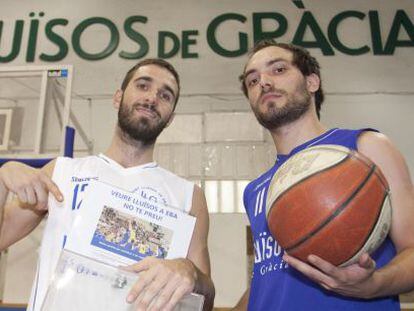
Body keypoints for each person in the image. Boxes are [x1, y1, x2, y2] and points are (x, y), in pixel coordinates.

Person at [0, 58, 215, 311]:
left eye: (165, 95)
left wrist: (191, 273)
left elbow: (206, 301)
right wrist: (2, 178)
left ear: (170, 118)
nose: (152, 98)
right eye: (143, 86)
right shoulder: (62, 172)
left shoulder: (189, 197)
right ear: (117, 98)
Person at [236, 39, 414, 310]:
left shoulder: (365, 147)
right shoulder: (255, 189)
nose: (264, 82)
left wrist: (373, 284)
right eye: (252, 80)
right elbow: (271, 277)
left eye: (279, 70)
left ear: (312, 82)